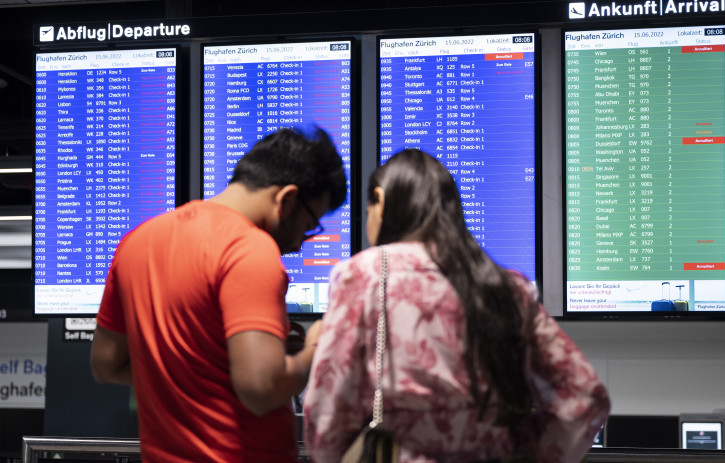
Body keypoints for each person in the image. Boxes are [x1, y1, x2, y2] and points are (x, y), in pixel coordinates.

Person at [303, 149, 610, 462]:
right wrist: (522, 449)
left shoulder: (363, 275)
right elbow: (585, 397)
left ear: (380, 201)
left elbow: (328, 413)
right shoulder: (507, 286)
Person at [90, 127, 347, 463]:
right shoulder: (250, 250)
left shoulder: (136, 242)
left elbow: (105, 365)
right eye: (311, 225)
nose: (301, 242)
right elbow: (261, 389)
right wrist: (316, 347)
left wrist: (202, 368)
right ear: (286, 199)